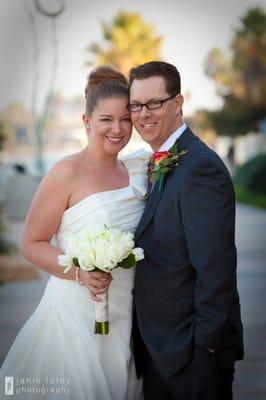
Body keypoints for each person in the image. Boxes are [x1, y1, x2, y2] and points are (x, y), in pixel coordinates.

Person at [0, 66, 148, 400]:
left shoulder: (137, 172)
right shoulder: (66, 172)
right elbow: (31, 243)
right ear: (86, 121)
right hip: (74, 314)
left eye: (126, 119)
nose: (118, 128)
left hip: (127, 313)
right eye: (106, 119)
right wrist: (81, 272)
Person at [127, 61, 244, 400]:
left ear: (178, 104)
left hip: (190, 355)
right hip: (159, 350)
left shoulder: (200, 167)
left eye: (154, 103)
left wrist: (204, 345)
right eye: (136, 105)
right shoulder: (157, 162)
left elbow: (216, 267)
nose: (143, 114)